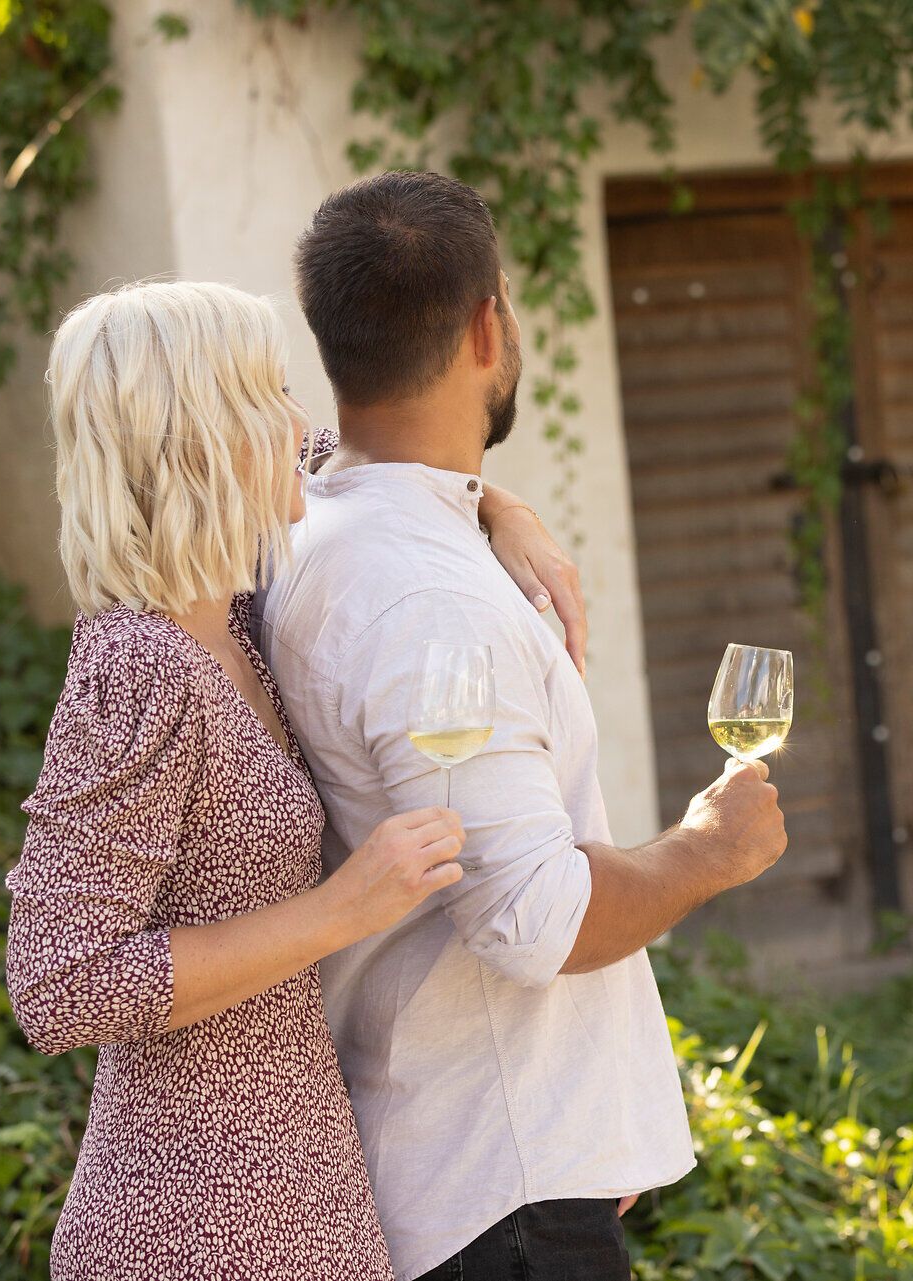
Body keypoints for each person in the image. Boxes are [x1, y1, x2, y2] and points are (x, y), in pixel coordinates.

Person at [257, 171, 790, 1281]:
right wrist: (711, 851)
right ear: (487, 324)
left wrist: (488, 499)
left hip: (468, 1160)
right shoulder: (434, 606)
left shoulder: (309, 534)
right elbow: (535, 922)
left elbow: (345, 471)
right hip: (498, 1196)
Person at [3, 279, 589, 1280]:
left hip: (304, 1193)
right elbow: (61, 985)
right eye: (270, 396)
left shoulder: (231, 615)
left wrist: (496, 505)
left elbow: (346, 462)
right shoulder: (139, 666)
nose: (301, 423)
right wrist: (340, 910)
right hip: (192, 1225)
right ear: (204, 440)